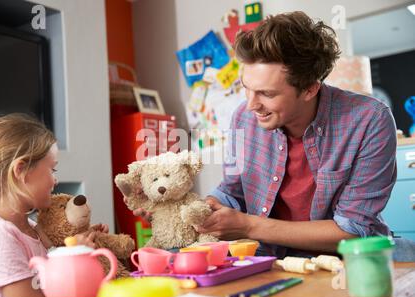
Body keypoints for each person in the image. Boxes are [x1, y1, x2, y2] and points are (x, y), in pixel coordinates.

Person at [132, 11, 397, 259]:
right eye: (247, 88)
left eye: (267, 94)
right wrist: (195, 211)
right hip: (269, 262)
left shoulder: (369, 121)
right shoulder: (243, 118)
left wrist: (249, 226)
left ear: (309, 89)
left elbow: (351, 230)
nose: (251, 105)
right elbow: (232, 191)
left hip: (349, 263)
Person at [0, 114, 108, 297]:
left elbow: (51, 275)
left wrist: (74, 250)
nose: (55, 180)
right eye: (52, 169)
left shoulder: (32, 228)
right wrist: (71, 262)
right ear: (21, 170)